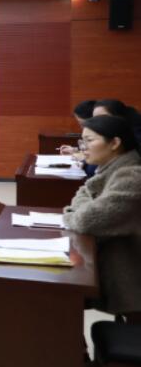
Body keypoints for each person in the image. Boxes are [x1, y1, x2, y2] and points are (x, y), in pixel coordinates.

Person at [62, 115, 141, 315]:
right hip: (113, 269)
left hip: (130, 280)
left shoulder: (131, 177)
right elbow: (83, 193)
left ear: (115, 143)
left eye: (89, 141)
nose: (83, 148)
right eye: (82, 142)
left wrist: (71, 213)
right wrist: (80, 208)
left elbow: (85, 221)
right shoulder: (110, 171)